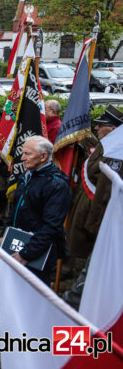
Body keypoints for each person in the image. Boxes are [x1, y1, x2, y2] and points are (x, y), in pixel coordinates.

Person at [63, 105, 123, 309]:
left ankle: (74, 300)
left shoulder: (116, 151)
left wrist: (94, 222)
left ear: (113, 129)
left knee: (94, 256)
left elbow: (105, 188)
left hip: (97, 209)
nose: (96, 128)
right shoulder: (107, 145)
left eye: (101, 125)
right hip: (87, 202)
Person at [2, 136, 72, 283]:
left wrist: (26, 254)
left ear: (43, 156)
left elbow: (51, 226)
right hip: (17, 244)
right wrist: (5, 235)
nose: (22, 158)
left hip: (38, 254)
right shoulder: (27, 176)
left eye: (27, 154)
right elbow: (15, 209)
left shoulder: (57, 185)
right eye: (23, 153)